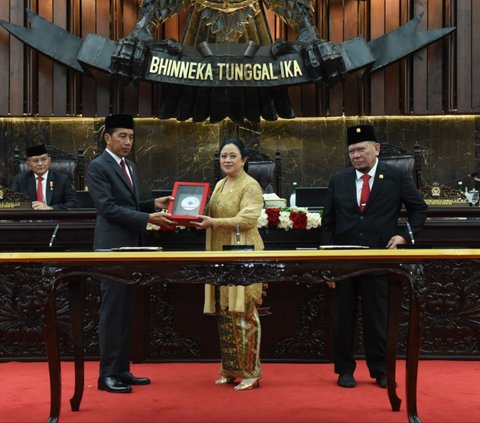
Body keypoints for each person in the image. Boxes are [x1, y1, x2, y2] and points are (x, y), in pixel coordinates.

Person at [321, 124, 428, 389]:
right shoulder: (339, 179)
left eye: (361, 149)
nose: (356, 155)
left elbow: (419, 210)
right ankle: (345, 370)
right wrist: (326, 263)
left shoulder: (396, 177)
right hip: (343, 260)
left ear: (376, 149)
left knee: (376, 317)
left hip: (379, 259)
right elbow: (328, 223)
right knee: (342, 318)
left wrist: (405, 237)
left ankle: (380, 369)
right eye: (351, 151)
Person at [87, 114, 176, 394]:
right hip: (112, 247)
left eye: (131, 137)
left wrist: (154, 203)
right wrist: (148, 216)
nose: (127, 142)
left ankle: (121, 369)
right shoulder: (98, 166)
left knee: (126, 310)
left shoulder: (130, 166)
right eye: (122, 136)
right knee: (112, 310)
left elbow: (131, 203)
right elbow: (108, 208)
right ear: (107, 138)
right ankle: (106, 375)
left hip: (132, 245)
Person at [191, 138, 265, 391]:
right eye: (223, 156)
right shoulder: (221, 184)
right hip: (221, 256)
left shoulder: (250, 185)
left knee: (244, 312)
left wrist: (212, 223)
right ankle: (231, 368)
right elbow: (206, 211)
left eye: (233, 156)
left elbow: (247, 219)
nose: (227, 160)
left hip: (244, 255)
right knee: (226, 313)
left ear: (244, 160)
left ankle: (251, 372)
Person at [12, 144, 79, 210]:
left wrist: (50, 208)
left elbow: (73, 204)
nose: (40, 164)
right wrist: (30, 206)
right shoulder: (20, 179)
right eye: (35, 161)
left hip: (54, 219)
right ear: (28, 164)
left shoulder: (63, 179)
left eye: (44, 159)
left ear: (49, 161)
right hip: (30, 219)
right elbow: (10, 204)